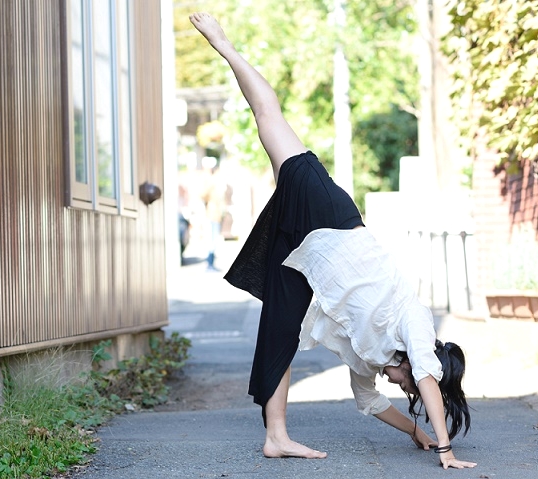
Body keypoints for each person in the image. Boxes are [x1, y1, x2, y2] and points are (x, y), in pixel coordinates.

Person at [189, 12, 477, 470]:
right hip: (329, 221)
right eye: (402, 381)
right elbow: (425, 377)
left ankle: (276, 437)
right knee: (269, 117)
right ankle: (223, 44)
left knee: (281, 332)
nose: (395, 382)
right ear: (420, 364)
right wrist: (445, 448)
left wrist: (417, 432)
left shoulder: (372, 361)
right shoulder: (416, 325)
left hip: (311, 266)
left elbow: (370, 404)